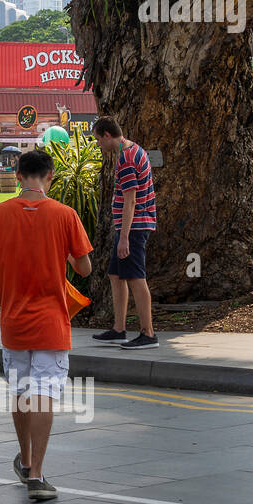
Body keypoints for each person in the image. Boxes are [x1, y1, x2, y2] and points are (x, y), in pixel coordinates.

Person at [0, 149, 93, 501]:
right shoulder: (65, 214)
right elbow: (85, 268)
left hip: (14, 322)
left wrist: (3, 261)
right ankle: (38, 476)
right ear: (51, 175)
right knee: (45, 393)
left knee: (21, 392)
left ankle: (25, 460)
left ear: (16, 175)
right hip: (52, 322)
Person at [91, 117, 158, 349]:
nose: (99, 144)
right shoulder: (134, 149)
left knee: (135, 277)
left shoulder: (127, 159)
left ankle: (148, 333)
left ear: (108, 135)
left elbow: (130, 201)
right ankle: (119, 329)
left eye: (99, 139)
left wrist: (125, 237)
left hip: (134, 226)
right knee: (116, 275)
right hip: (131, 225)